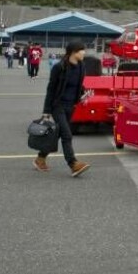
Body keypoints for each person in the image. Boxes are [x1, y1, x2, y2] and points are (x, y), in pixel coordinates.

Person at [33, 42, 90, 177]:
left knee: (57, 134)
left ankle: (40, 159)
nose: (84, 53)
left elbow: (78, 84)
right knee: (67, 135)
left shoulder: (81, 66)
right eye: (81, 50)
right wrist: (46, 111)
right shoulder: (59, 67)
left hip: (71, 105)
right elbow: (51, 89)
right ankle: (73, 164)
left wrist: (83, 95)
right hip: (57, 106)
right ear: (73, 52)